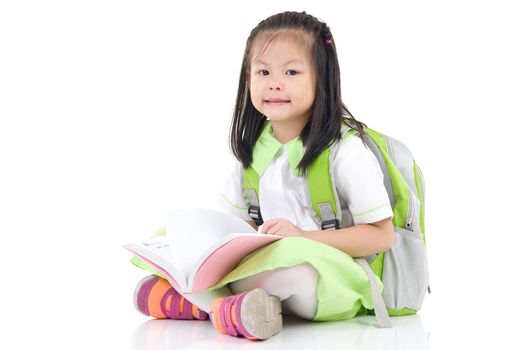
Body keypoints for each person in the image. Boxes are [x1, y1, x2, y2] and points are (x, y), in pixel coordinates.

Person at [133, 10, 395, 341]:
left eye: (291, 71)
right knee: (172, 236)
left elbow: (382, 236)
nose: (275, 82)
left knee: (289, 264)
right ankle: (241, 309)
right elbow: (237, 224)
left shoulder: (345, 151)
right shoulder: (254, 153)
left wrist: (302, 238)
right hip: (269, 264)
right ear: (248, 80)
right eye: (263, 71)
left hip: (329, 279)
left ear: (322, 79)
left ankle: (203, 304)